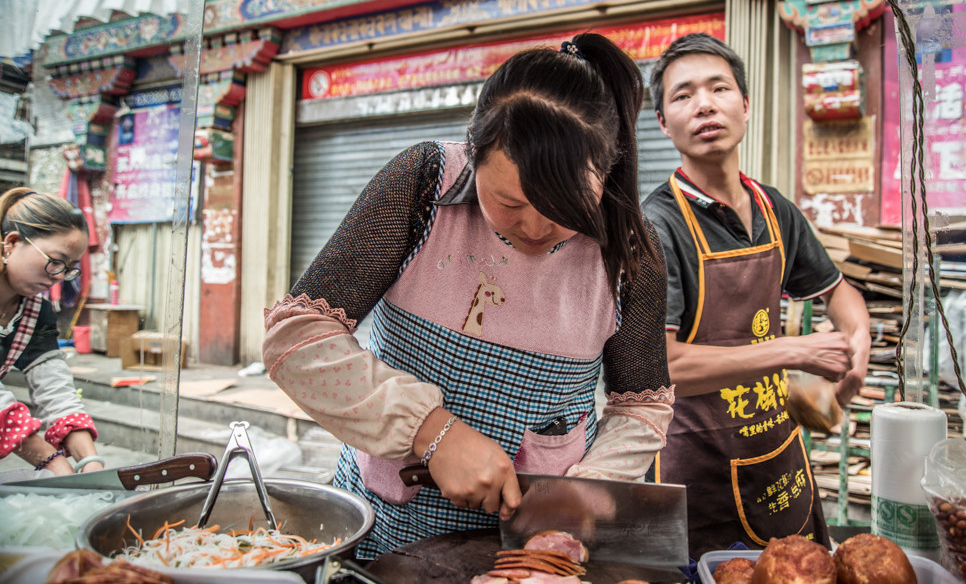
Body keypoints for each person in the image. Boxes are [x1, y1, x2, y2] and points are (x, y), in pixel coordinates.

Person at [263, 32, 675, 559]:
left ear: (608, 172)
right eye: (510, 201)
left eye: (567, 206)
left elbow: (640, 408)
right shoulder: (423, 185)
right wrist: (431, 432)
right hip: (383, 521)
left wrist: (586, 489)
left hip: (532, 545)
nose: (536, 225)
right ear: (473, 152)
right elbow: (297, 340)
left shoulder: (632, 249)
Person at [641, 33, 871, 558]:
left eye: (718, 88)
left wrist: (856, 342)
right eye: (682, 96)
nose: (703, 105)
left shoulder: (775, 209)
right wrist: (796, 351)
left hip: (776, 452)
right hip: (695, 468)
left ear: (745, 105)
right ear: (662, 122)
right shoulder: (656, 225)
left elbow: (837, 290)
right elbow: (665, 364)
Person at [0, 187, 104, 475]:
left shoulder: (35, 312)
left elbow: (54, 389)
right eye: (54, 261)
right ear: (12, 243)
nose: (58, 276)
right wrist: (55, 462)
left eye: (69, 268)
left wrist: (89, 462)